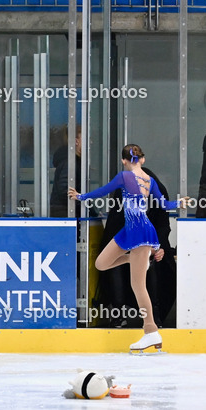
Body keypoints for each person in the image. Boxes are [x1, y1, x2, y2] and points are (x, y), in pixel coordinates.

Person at [69, 144, 186, 353]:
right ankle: (139, 260)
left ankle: (150, 331)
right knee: (102, 263)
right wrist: (179, 203)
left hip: (139, 232)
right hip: (129, 230)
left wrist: (80, 197)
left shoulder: (125, 176)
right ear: (142, 159)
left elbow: (102, 192)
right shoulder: (148, 180)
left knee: (138, 285)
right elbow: (165, 205)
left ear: (124, 160)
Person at [94, 160, 177, 329]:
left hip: (146, 239)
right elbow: (117, 225)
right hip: (122, 237)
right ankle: (118, 314)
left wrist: (159, 247)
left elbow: (163, 224)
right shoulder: (125, 193)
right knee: (112, 265)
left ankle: (154, 317)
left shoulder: (158, 192)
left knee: (151, 265)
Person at [50, 124, 83, 217]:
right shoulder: (69, 162)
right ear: (76, 141)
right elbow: (65, 191)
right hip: (65, 214)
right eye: (87, 139)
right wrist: (82, 203)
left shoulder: (74, 161)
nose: (91, 142)